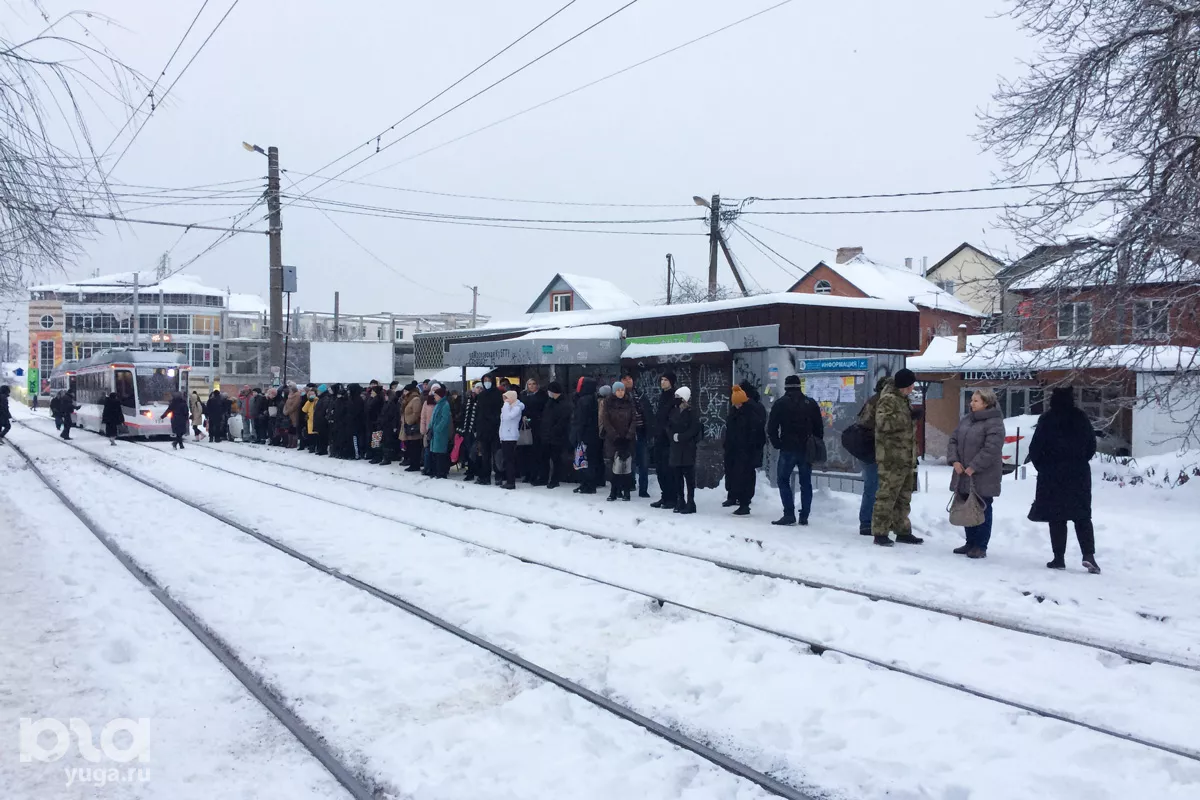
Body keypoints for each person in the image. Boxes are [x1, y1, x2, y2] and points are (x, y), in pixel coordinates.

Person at [1028, 387, 1101, 573]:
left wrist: (1044, 467)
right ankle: (1088, 555)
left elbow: (1035, 448)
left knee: (1056, 517)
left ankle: (1058, 558)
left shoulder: (1046, 419)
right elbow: (1091, 445)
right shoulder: (1081, 418)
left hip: (1052, 475)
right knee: (1082, 516)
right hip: (1078, 474)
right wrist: (1079, 461)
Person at [947, 388, 1006, 559]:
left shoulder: (994, 422)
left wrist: (974, 466)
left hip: (983, 475)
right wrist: (955, 461)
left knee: (982, 507)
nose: (971, 403)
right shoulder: (967, 420)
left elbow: (992, 449)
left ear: (986, 403)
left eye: (975, 401)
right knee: (967, 505)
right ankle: (970, 542)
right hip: (963, 473)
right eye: (971, 400)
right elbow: (953, 440)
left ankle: (981, 545)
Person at [871, 369, 922, 547]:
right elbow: (883, 423)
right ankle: (880, 532)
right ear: (905, 385)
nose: (913, 387)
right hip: (891, 458)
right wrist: (908, 417)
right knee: (887, 496)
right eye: (911, 384)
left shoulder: (902, 399)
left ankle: (902, 530)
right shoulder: (888, 399)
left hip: (905, 457)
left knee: (903, 497)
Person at [767, 375, 824, 526]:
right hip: (806, 448)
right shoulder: (810, 403)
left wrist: (777, 443)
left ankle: (789, 513)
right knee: (806, 483)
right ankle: (804, 515)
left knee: (783, 480)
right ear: (800, 386)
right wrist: (815, 443)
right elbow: (819, 427)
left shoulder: (780, 404)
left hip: (787, 448)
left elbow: (771, 427)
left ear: (786, 387)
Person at [723, 382, 767, 516]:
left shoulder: (751, 413)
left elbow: (756, 433)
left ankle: (744, 503)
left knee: (744, 476)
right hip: (737, 449)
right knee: (736, 474)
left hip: (746, 451)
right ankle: (737, 498)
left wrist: (752, 449)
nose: (736, 406)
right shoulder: (738, 412)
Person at [851, 378, 888, 536]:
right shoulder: (880, 402)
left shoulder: (873, 401)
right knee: (872, 486)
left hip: (868, 449)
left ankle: (869, 521)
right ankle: (867, 522)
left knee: (872, 486)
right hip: (872, 450)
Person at [668, 386, 702, 513]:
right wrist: (672, 436)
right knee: (677, 477)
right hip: (676, 448)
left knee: (689, 478)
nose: (676, 400)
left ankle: (690, 502)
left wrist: (681, 437)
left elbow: (694, 430)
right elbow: (669, 426)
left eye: (679, 398)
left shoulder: (692, 413)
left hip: (687, 448)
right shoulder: (674, 411)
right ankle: (680, 500)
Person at [601, 381, 637, 501]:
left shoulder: (629, 402)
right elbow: (606, 420)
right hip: (613, 440)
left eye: (622, 390)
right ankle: (614, 491)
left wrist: (628, 436)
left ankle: (626, 491)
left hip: (627, 439)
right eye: (618, 390)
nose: (620, 392)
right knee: (614, 466)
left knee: (626, 466)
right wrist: (615, 436)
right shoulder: (608, 403)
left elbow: (633, 420)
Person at [650, 373, 680, 509]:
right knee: (661, 469)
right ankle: (665, 496)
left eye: (665, 380)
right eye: (661, 379)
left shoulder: (674, 397)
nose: (662, 382)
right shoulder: (662, 396)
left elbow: (672, 418)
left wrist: (667, 431)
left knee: (669, 470)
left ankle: (672, 498)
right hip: (659, 438)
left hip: (668, 440)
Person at [621, 374, 653, 498]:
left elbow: (648, 412)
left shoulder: (640, 395)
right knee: (628, 461)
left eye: (630, 378)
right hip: (626, 433)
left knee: (643, 461)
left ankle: (643, 489)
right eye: (625, 379)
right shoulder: (620, 396)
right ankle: (629, 485)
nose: (628, 381)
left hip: (641, 432)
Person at [570, 377, 601, 494]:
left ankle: (587, 484)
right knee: (590, 460)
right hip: (592, 434)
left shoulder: (583, 400)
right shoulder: (593, 398)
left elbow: (580, 420)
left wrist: (576, 435)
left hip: (584, 435)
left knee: (584, 461)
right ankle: (588, 483)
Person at [473, 374, 504, 486]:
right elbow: (478, 413)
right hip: (483, 430)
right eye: (485, 380)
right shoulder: (481, 396)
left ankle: (499, 476)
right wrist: (477, 428)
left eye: (489, 380)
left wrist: (494, 420)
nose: (487, 382)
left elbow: (500, 411)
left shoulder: (498, 395)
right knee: (485, 455)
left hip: (495, 429)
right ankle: (485, 476)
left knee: (497, 454)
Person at [540, 382, 572, 489]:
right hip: (547, 435)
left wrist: (554, 431)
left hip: (557, 436)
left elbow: (563, 421)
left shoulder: (564, 404)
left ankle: (555, 479)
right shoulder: (549, 402)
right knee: (544, 457)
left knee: (556, 459)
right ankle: (544, 478)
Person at [520, 378, 548, 484]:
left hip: (537, 426)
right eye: (529, 384)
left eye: (533, 384)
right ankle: (528, 474)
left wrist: (531, 418)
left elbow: (541, 411)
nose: (531, 386)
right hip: (526, 426)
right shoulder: (524, 395)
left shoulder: (542, 396)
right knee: (526, 452)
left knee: (537, 453)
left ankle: (536, 475)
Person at [499, 389, 525, 489]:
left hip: (510, 436)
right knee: (507, 459)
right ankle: (508, 479)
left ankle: (511, 481)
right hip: (505, 436)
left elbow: (507, 417)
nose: (505, 400)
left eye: (506, 398)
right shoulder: (509, 407)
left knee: (510, 459)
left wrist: (506, 405)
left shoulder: (516, 408)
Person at [457, 383, 482, 480]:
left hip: (477, 431)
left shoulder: (482, 401)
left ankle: (476, 470)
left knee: (476, 451)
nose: (479, 390)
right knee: (469, 451)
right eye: (477, 388)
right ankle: (471, 470)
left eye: (481, 388)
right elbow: (463, 415)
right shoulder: (467, 400)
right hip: (467, 430)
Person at [429, 386, 453, 477]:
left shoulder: (445, 405)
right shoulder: (438, 404)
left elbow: (445, 419)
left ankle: (441, 472)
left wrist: (438, 428)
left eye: (436, 395)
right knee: (435, 453)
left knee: (440, 454)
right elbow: (433, 417)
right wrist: (430, 427)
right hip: (435, 433)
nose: (434, 397)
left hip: (440, 433)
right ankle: (436, 471)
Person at [402, 384, 425, 472]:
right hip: (408, 426)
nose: (404, 393)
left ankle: (415, 465)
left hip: (413, 427)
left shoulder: (416, 399)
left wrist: (409, 421)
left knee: (414, 447)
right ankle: (412, 463)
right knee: (410, 446)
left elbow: (416, 413)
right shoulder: (408, 399)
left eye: (406, 391)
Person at [377, 387, 402, 466]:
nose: (385, 397)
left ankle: (387, 458)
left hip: (389, 426)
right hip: (385, 425)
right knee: (384, 441)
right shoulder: (387, 403)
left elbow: (393, 416)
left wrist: (394, 426)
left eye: (386, 395)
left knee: (387, 442)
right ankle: (388, 457)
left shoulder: (392, 404)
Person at [420, 389, 438, 474]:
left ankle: (433, 468)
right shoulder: (426, 403)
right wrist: (423, 429)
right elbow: (423, 416)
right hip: (428, 430)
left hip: (437, 430)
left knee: (435, 451)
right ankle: (427, 467)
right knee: (427, 450)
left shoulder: (440, 403)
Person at [313, 384, 333, 456]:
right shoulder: (321, 398)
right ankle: (320, 449)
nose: (317, 392)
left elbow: (323, 409)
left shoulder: (325, 398)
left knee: (323, 436)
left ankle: (323, 449)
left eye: (319, 391)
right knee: (319, 435)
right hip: (319, 419)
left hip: (322, 420)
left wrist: (322, 417)